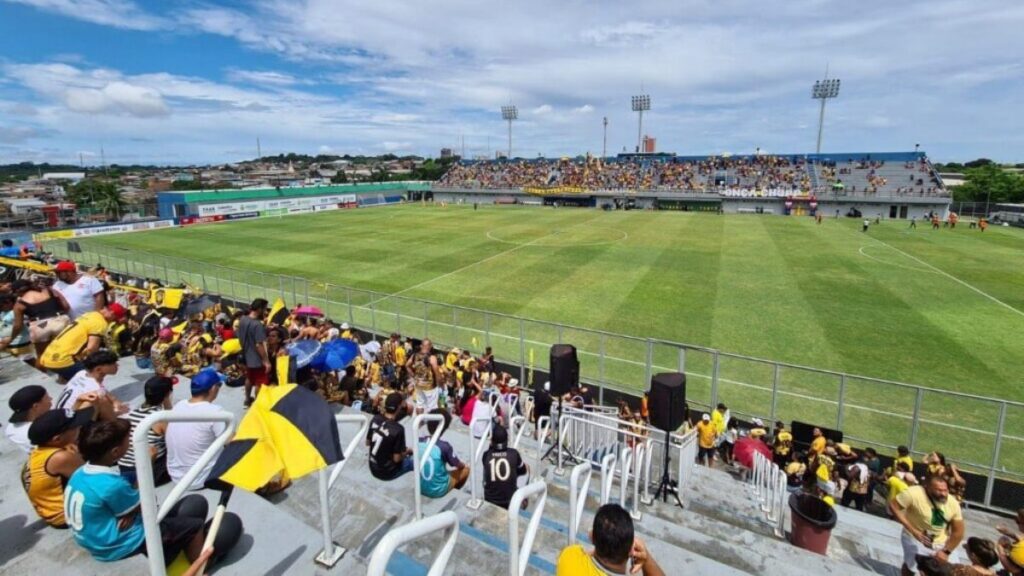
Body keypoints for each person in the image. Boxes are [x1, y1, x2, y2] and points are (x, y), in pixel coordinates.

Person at [65, 419, 242, 567]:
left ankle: (179, 545)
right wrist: (137, 503)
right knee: (195, 525)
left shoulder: (80, 473)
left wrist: (130, 509)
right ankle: (201, 563)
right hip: (120, 545)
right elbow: (147, 503)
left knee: (195, 503)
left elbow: (132, 498)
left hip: (96, 539)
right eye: (128, 440)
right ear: (115, 452)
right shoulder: (110, 486)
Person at [22, 407, 92, 527]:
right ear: (57, 439)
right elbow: (95, 480)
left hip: (50, 512)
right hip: (65, 516)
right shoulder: (61, 457)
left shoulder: (39, 452)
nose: (80, 427)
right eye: (74, 426)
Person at [556, 503, 665, 576]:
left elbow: (585, 552)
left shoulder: (569, 556)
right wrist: (647, 559)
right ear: (632, 550)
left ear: (592, 537)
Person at [889, 475, 965, 576]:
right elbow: (894, 506)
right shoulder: (913, 493)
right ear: (927, 488)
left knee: (952, 571)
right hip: (915, 538)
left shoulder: (953, 503)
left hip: (941, 542)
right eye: (938, 490)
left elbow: (958, 532)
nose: (943, 494)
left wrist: (946, 552)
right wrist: (913, 530)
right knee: (912, 566)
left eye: (945, 490)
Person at [165, 368, 227, 491]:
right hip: (200, 478)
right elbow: (232, 442)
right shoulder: (216, 412)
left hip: (176, 476)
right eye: (219, 385)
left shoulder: (179, 405)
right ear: (213, 388)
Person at [39, 303, 127, 382]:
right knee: (94, 377)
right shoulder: (100, 323)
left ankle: (66, 379)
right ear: (112, 314)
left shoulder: (91, 314)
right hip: (63, 360)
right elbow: (91, 348)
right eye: (114, 319)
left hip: (47, 357)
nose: (112, 322)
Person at [118, 376, 175, 487]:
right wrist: (167, 404)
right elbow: (175, 440)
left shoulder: (133, 413)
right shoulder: (159, 418)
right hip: (146, 470)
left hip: (125, 468)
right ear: (167, 394)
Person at [3, 278, 70, 362]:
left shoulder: (19, 304)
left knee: (41, 355)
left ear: (17, 291)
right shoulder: (49, 291)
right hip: (59, 320)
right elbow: (66, 306)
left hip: (40, 325)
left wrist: (11, 338)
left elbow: (18, 326)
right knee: (67, 351)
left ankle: (43, 373)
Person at [56, 349, 127, 420]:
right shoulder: (94, 390)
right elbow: (111, 416)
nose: (117, 365)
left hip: (60, 414)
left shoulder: (81, 373)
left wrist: (114, 400)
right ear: (98, 369)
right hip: (70, 423)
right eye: (113, 363)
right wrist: (116, 412)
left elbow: (100, 388)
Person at [417, 409, 469, 499]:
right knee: (466, 470)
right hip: (438, 490)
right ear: (444, 428)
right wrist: (464, 465)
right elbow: (458, 465)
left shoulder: (419, 441)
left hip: (421, 487)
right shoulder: (444, 446)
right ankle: (451, 489)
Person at [366, 393, 413, 481]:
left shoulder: (375, 419)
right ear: (399, 406)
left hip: (373, 467)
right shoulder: (398, 429)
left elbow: (368, 443)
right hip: (387, 473)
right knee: (414, 459)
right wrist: (407, 451)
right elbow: (397, 459)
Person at [482, 424, 529, 509]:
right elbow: (523, 471)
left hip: (490, 500)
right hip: (510, 502)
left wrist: (491, 446)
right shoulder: (514, 453)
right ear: (507, 440)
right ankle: (523, 499)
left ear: (492, 441)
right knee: (527, 467)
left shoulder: (486, 455)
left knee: (487, 467)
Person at [238, 298, 271, 408]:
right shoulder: (257, 325)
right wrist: (266, 361)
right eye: (265, 309)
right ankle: (257, 405)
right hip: (256, 359)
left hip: (246, 356)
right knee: (259, 382)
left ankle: (247, 400)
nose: (266, 312)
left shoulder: (242, 319)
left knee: (249, 378)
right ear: (260, 309)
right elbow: (259, 345)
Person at [5, 384, 52, 453]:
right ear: (36, 406)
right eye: (47, 398)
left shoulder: (10, 428)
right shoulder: (41, 433)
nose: (51, 399)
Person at [408, 338, 443, 413]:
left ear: (421, 346)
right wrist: (440, 383)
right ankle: (431, 422)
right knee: (432, 406)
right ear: (430, 346)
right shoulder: (432, 357)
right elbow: (436, 371)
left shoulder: (414, 355)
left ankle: (419, 421)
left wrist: (413, 376)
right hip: (430, 386)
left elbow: (407, 365)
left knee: (419, 404)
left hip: (418, 384)